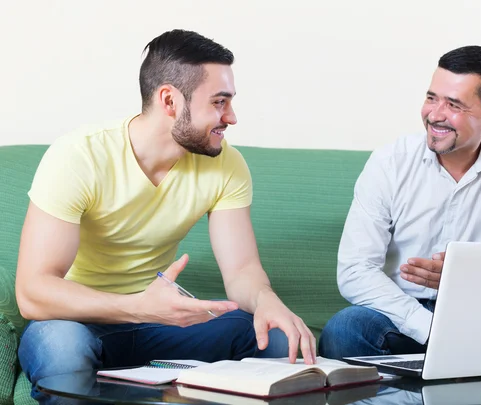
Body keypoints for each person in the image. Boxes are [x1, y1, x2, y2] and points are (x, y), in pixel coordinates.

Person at [16, 29, 316, 403]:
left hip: (161, 324)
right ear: (170, 100)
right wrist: (137, 306)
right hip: (77, 321)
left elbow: (241, 271)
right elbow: (33, 292)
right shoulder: (79, 156)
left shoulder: (226, 164)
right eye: (219, 102)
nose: (232, 117)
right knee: (59, 344)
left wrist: (267, 300)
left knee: (275, 337)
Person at [318, 45, 481, 368]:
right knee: (345, 329)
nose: (435, 114)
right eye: (432, 98)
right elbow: (354, 271)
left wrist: (473, 276)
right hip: (401, 312)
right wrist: (428, 327)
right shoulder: (389, 162)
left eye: (454, 105)